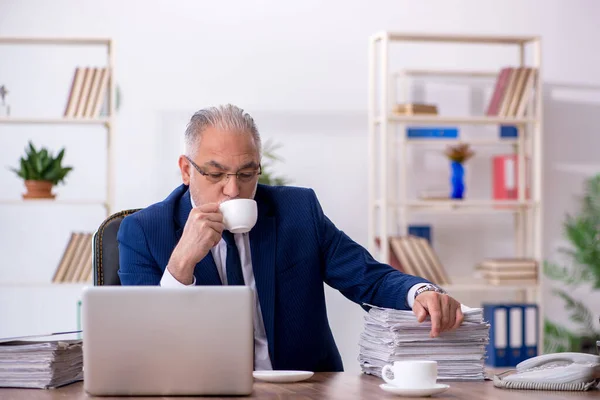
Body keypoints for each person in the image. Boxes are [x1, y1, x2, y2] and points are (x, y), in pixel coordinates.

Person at [117, 104, 464, 372]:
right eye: (216, 174)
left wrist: (421, 293)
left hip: (305, 387)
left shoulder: (297, 211)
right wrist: (181, 264)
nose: (234, 190)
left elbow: (368, 277)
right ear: (186, 170)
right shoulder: (144, 232)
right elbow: (144, 345)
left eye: (247, 173)